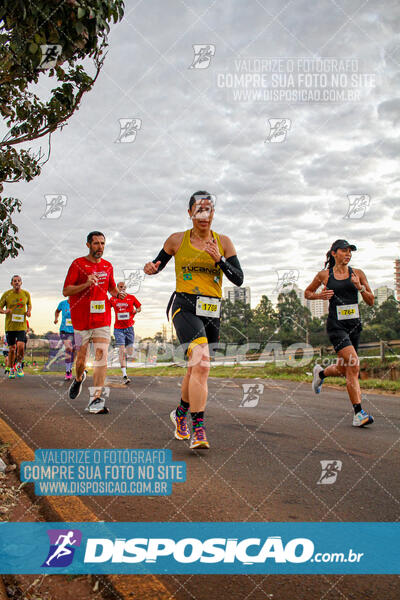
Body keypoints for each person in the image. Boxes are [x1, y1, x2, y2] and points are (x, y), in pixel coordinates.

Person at [144, 191, 244, 449]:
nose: (204, 215)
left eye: (208, 210)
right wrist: (151, 268)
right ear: (189, 213)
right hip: (184, 306)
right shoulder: (177, 240)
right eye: (198, 210)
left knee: (194, 368)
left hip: (212, 310)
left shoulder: (224, 242)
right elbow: (158, 263)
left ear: (213, 214)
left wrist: (219, 260)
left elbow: (238, 278)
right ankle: (198, 428)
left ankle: (180, 414)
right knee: (202, 365)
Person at [305, 239, 375, 427]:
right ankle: (358, 413)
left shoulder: (358, 274)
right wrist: (319, 295)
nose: (348, 254)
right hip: (336, 326)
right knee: (353, 365)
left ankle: (320, 374)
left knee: (344, 368)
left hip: (354, 326)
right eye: (344, 251)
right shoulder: (324, 275)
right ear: (334, 253)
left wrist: (359, 287)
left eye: (350, 251)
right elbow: (307, 293)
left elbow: (371, 301)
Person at [63, 231, 126, 414]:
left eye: (103, 243)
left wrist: (117, 294)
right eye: (96, 243)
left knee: (101, 355)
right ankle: (79, 378)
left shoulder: (108, 266)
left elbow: (111, 288)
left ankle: (96, 399)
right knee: (81, 359)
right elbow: (66, 290)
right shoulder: (77, 264)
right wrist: (86, 284)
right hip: (81, 320)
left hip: (102, 318)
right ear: (88, 245)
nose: (100, 247)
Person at [110, 281, 141, 384]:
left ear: (126, 288)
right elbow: (106, 308)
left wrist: (135, 311)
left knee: (130, 352)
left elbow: (139, 307)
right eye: (120, 287)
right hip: (118, 329)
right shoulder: (113, 298)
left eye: (124, 287)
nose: (122, 288)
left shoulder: (131, 297)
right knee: (122, 351)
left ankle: (125, 362)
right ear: (117, 288)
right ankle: (124, 375)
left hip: (129, 328)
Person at [0, 275, 31, 379]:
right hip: (10, 327)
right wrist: (5, 311)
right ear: (11, 283)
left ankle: (18, 365)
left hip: (21, 326)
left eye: (18, 281)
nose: (16, 282)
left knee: (21, 347)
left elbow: (29, 305)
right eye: (14, 281)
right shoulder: (6, 294)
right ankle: (12, 369)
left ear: (21, 283)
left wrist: (29, 311)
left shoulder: (26, 294)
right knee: (12, 349)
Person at [54, 298, 75, 380]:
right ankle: (67, 371)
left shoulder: (79, 302)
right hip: (64, 330)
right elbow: (57, 311)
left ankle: (70, 368)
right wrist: (56, 318)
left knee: (73, 350)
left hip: (75, 331)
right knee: (68, 348)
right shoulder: (62, 303)